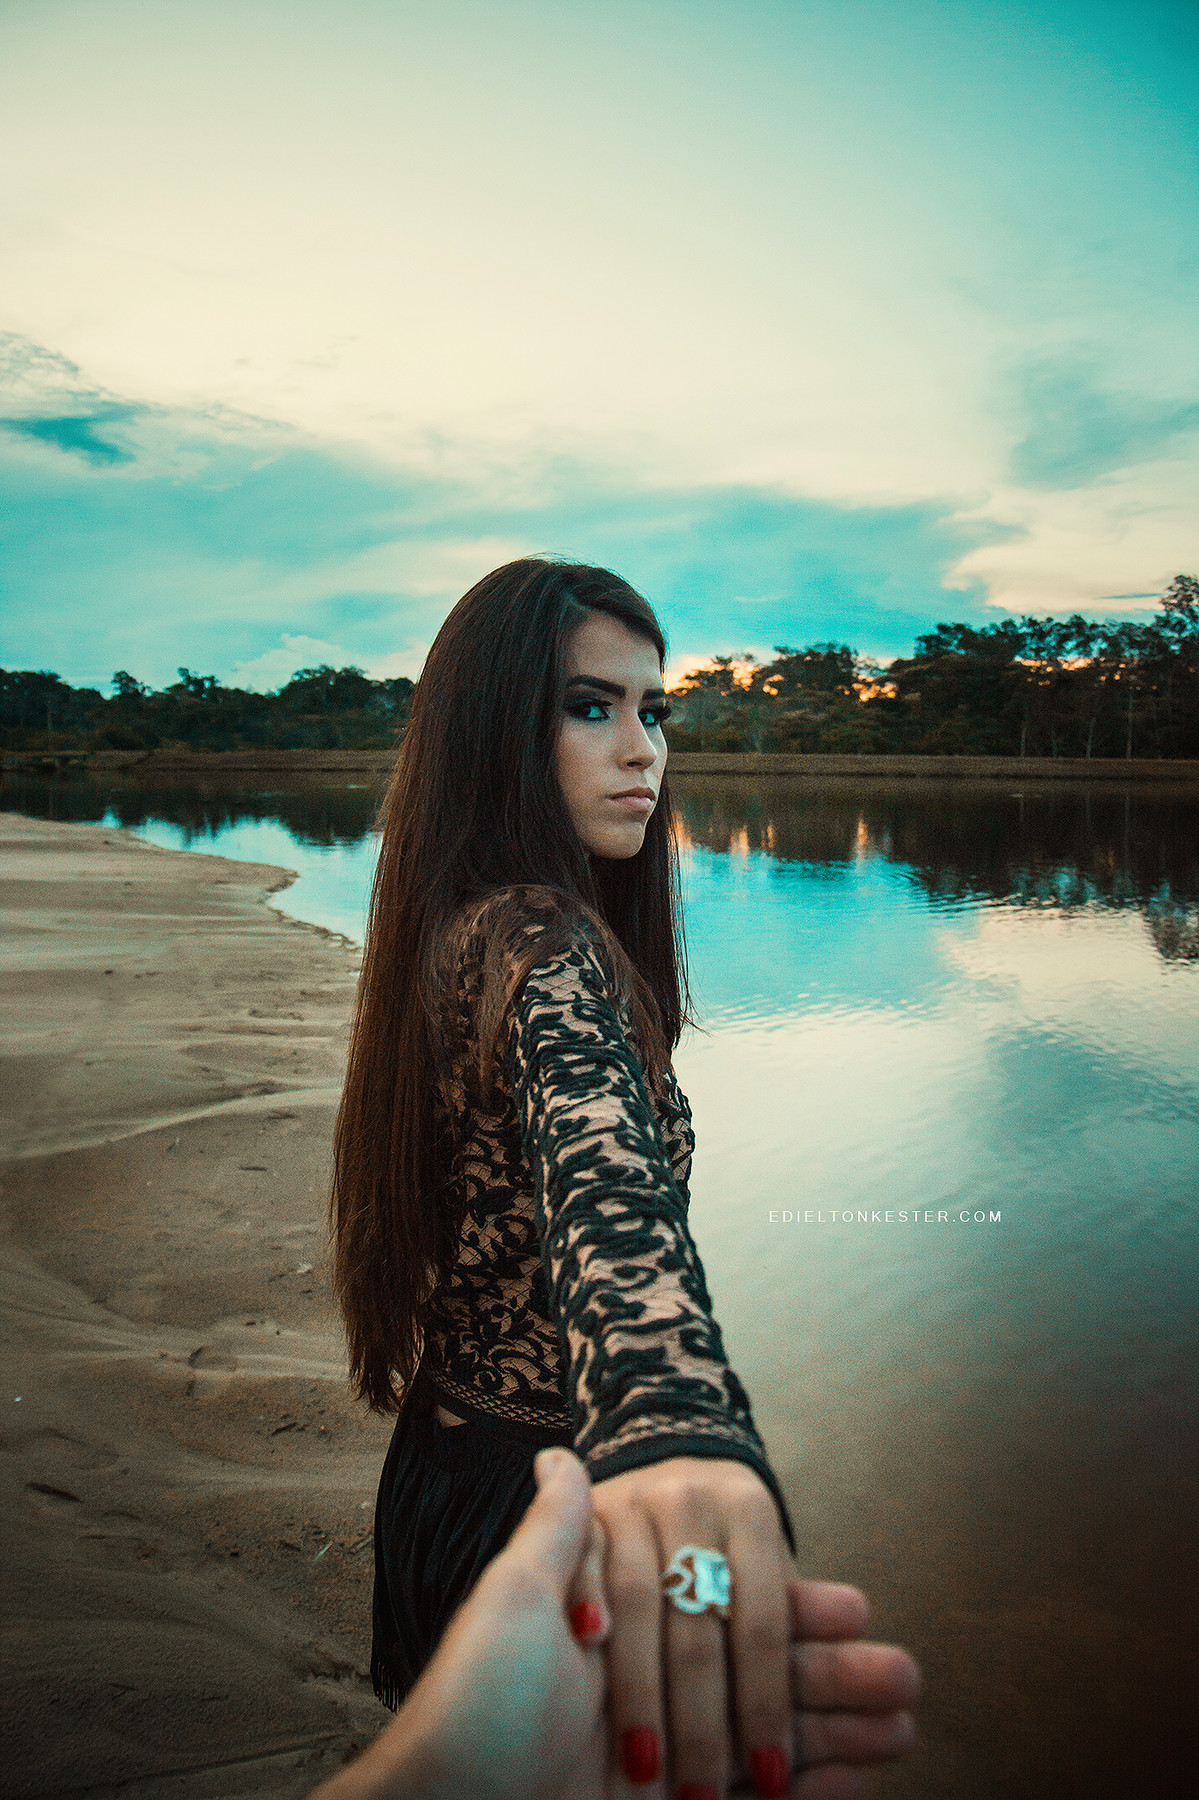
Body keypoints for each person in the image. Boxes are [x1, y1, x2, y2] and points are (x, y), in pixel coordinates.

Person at [331, 558, 913, 1798]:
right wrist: (675, 1423)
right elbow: (607, 1189)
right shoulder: (541, 940)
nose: (641, 748)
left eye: (654, 711)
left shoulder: (464, 922)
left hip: (449, 1476)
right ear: (497, 730)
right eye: (589, 707)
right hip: (551, 1518)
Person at [308, 1447, 919, 1800]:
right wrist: (682, 1430)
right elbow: (608, 1225)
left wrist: (428, 1775)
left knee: (432, 1683)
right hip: (515, 1511)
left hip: (437, 1478)